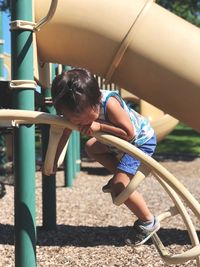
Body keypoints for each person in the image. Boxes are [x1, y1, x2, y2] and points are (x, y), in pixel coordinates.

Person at [50, 67, 160, 246]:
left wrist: (99, 126)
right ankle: (121, 177)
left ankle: (148, 221)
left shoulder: (109, 103)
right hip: (118, 143)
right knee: (91, 147)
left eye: (84, 120)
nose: (80, 125)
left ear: (96, 101)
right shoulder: (77, 108)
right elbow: (64, 133)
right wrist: (54, 160)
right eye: (75, 122)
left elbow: (129, 133)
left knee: (119, 188)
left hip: (139, 142)